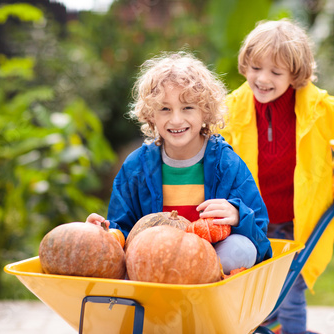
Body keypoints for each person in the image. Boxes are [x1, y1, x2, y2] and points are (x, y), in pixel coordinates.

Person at [219, 19, 334, 334]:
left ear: (295, 76)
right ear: (245, 64)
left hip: (297, 219)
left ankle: (292, 329)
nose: (263, 79)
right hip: (249, 217)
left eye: (276, 73)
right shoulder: (231, 110)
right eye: (256, 68)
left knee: (290, 285)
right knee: (251, 284)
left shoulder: (320, 109)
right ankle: (265, 326)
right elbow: (214, 154)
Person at [86, 51, 272, 272]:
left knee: (242, 249)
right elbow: (123, 230)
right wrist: (104, 233)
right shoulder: (136, 167)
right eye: (165, 109)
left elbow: (260, 232)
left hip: (208, 261)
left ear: (205, 112)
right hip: (152, 261)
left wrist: (237, 215)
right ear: (151, 115)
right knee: (121, 263)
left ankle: (200, 285)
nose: (176, 119)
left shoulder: (227, 164)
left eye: (187, 108)